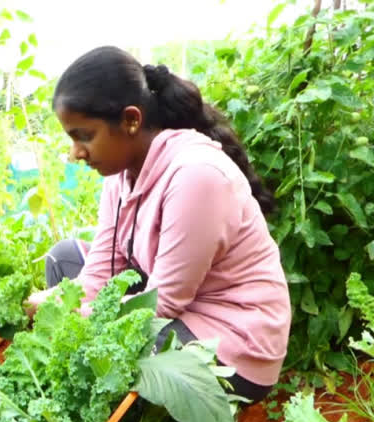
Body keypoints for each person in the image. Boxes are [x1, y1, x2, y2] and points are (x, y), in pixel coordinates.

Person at [28, 46, 291, 403]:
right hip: (181, 313)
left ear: (131, 120)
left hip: (233, 347)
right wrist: (45, 304)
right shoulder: (120, 176)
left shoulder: (196, 175)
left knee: (109, 350)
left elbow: (164, 302)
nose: (75, 152)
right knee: (64, 260)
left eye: (84, 136)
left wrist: (70, 319)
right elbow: (98, 274)